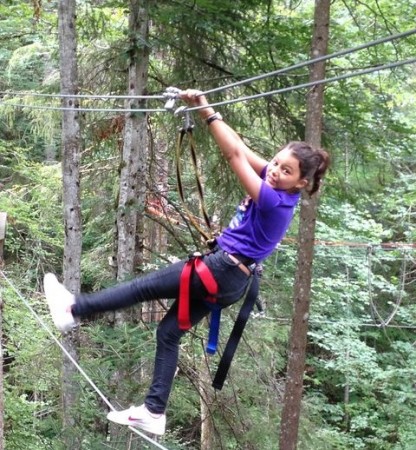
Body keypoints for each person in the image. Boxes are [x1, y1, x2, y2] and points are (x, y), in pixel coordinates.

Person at [44, 89, 330, 436]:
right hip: (231, 279)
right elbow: (243, 148)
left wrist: (204, 109)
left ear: (300, 183)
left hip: (222, 269)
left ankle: (73, 310)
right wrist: (202, 106)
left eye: (286, 171)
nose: (275, 172)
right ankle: (154, 411)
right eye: (276, 163)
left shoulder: (274, 200)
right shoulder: (277, 183)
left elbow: (235, 153)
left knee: (142, 287)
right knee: (167, 334)